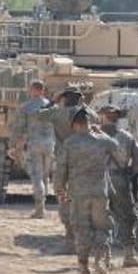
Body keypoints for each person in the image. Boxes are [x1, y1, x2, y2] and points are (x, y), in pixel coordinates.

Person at [53, 107, 125, 274]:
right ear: (88, 124)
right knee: (103, 227)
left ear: (74, 125)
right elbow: (117, 149)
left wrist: (59, 190)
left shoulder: (69, 143)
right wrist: (102, 134)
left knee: (81, 230)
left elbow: (60, 169)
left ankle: (84, 271)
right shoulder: (101, 141)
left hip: (78, 194)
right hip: (100, 192)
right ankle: (100, 258)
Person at [97, 104, 138, 268]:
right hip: (120, 182)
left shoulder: (92, 137)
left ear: (102, 116)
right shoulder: (127, 137)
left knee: (99, 218)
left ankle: (102, 257)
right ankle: (129, 255)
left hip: (97, 181)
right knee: (126, 217)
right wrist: (127, 174)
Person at [40, 87, 87, 251]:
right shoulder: (88, 115)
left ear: (64, 98)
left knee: (64, 198)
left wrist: (53, 101)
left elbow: (38, 114)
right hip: (85, 162)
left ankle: (70, 239)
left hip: (64, 161)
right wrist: (84, 105)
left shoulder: (56, 112)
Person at [11, 79, 56, 218]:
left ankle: (39, 209)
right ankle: (44, 207)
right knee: (45, 175)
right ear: (43, 90)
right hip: (50, 143)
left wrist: (14, 147)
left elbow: (18, 130)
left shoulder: (26, 107)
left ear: (32, 90)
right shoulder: (52, 106)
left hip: (34, 143)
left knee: (36, 176)